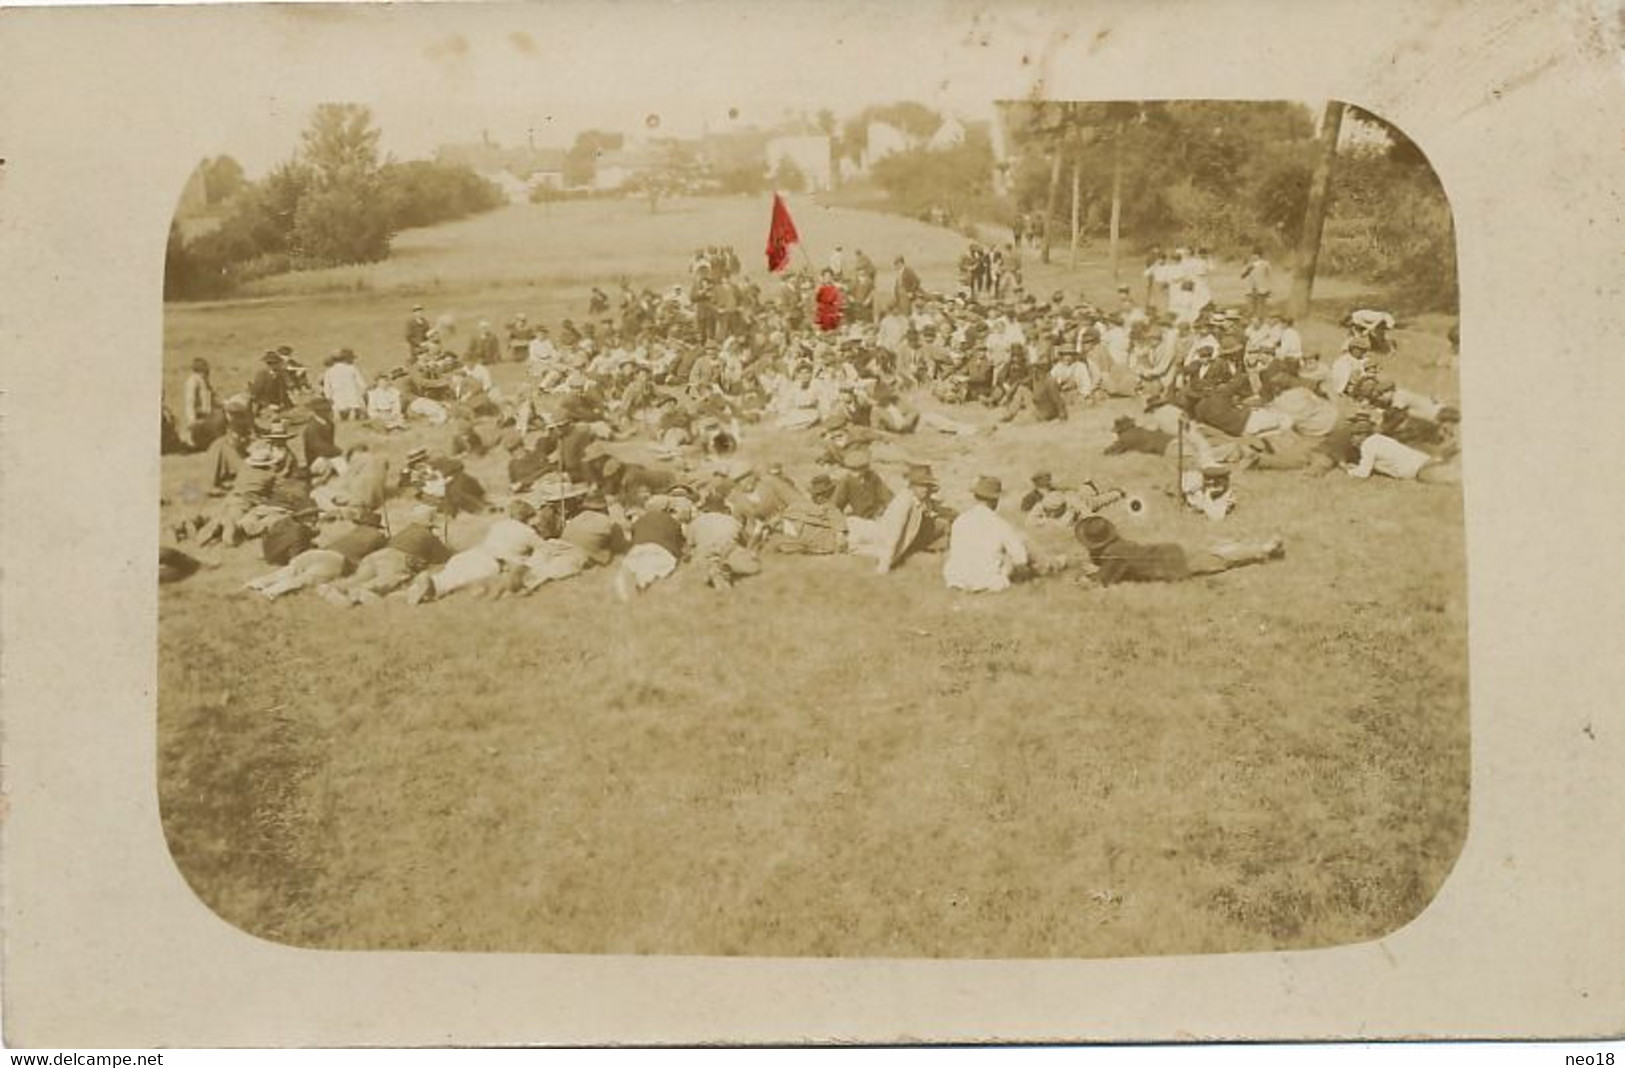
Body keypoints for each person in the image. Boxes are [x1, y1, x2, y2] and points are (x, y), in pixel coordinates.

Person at [1073, 514, 1284, 585]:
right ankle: (1256, 545)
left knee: (1220, 560)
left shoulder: (1114, 555)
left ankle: (1265, 549)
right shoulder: (1118, 546)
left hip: (1175, 564)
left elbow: (1103, 581)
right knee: (1216, 551)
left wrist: (1086, 576)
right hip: (1170, 551)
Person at [406, 498, 546, 604]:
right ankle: (431, 589)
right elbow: (545, 550)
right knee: (456, 582)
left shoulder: (499, 525)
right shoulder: (527, 532)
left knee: (448, 574)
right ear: (528, 517)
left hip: (474, 554)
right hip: (491, 562)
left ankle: (425, 585)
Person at [318, 504, 450, 606]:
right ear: (430, 524)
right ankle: (357, 593)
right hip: (396, 559)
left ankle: (334, 587)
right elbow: (445, 558)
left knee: (357, 578)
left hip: (376, 555)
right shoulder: (428, 536)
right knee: (384, 583)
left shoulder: (406, 531)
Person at [245, 512, 388, 600]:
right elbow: (382, 555)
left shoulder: (353, 532)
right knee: (304, 579)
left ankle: (255, 584)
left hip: (317, 553)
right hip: (336, 560)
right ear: (377, 527)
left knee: (288, 571)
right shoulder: (377, 536)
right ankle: (268, 594)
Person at [943, 476, 1032, 593]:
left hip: (957, 578)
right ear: (995, 500)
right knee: (1016, 550)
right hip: (987, 581)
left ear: (975, 497)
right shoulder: (1000, 524)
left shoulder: (960, 520)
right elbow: (1021, 559)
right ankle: (1052, 565)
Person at [615, 495, 688, 599]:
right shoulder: (673, 522)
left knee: (637, 571)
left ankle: (637, 591)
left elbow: (633, 539)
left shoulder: (640, 520)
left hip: (638, 551)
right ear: (667, 509)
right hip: (662, 553)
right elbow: (680, 545)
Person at [1345, 425, 1461, 483]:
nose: (1351, 440)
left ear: (1362, 435)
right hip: (1425, 461)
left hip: (1420, 471)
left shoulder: (1367, 445)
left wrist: (1348, 470)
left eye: (1353, 436)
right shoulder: (1379, 438)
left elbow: (1363, 474)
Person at [181, 358, 222, 450]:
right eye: (206, 369)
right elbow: (190, 403)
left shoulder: (204, 381)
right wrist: (192, 421)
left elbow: (213, 398)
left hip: (207, 417)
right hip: (198, 418)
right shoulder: (192, 382)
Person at [322, 349, 368, 421]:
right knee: (355, 398)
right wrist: (361, 396)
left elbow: (327, 389)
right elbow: (363, 386)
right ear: (347, 359)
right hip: (353, 400)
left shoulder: (329, 370)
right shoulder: (352, 368)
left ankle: (337, 414)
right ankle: (353, 414)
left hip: (337, 400)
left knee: (337, 404)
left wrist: (329, 398)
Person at [1240, 248, 1273, 318]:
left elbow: (1269, 277)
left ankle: (1260, 323)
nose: (1254, 257)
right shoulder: (1249, 264)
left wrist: (1269, 289)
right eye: (1253, 255)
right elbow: (1242, 275)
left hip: (1261, 290)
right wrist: (1247, 268)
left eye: (1256, 255)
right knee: (1250, 309)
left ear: (1260, 256)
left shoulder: (1265, 264)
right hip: (1250, 290)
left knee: (1261, 309)